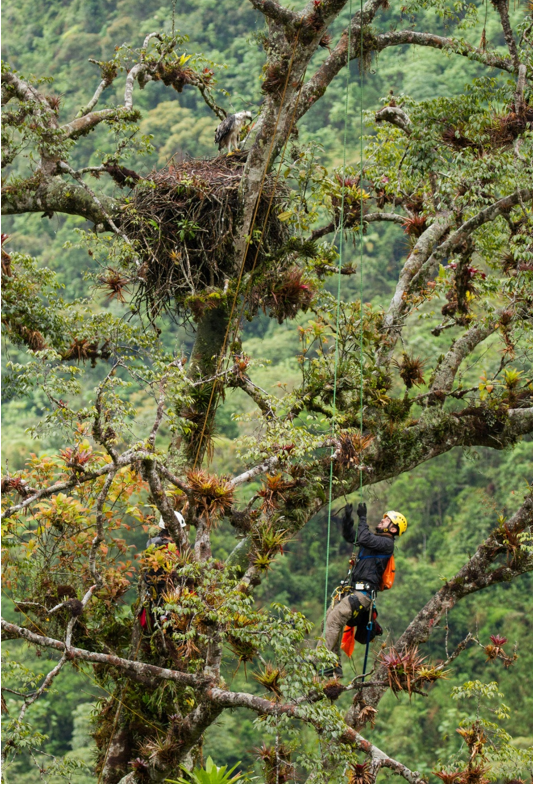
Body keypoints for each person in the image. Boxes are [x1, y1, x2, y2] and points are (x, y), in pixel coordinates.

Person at [323, 502, 407, 677]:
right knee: (329, 619)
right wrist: (347, 519)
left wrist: (362, 517)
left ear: (393, 530)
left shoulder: (386, 543)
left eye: (387, 521)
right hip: (354, 591)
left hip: (363, 594)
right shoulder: (374, 541)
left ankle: (317, 659)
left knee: (335, 619)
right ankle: (333, 665)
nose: (382, 521)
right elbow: (352, 537)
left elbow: (364, 538)